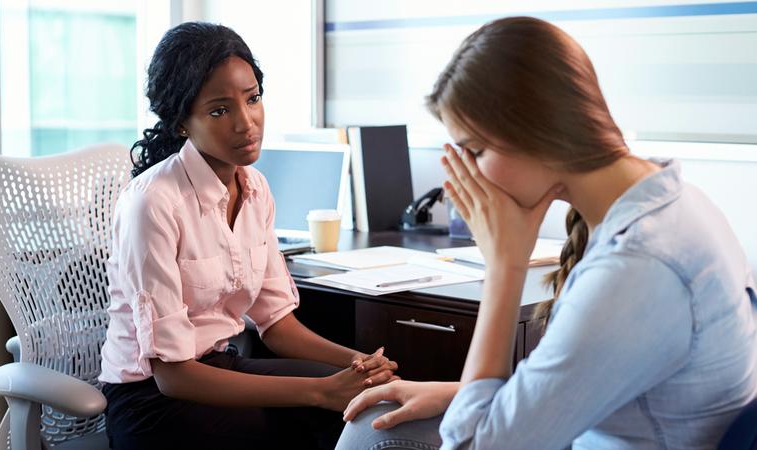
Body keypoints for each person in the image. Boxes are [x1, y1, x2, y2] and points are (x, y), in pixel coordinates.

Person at [335, 16, 757, 450]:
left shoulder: (637, 268)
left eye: (476, 151)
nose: (468, 176)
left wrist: (504, 267)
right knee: (374, 421)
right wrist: (456, 393)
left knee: (367, 437)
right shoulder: (675, 201)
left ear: (536, 131)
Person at [98, 22, 398, 450]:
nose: (246, 123)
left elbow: (277, 325)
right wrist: (321, 391)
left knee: (372, 403)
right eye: (219, 110)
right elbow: (173, 375)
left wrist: (356, 363)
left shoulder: (255, 188)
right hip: (151, 401)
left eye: (253, 99)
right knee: (319, 420)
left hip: (219, 369)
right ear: (182, 121)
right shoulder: (153, 203)